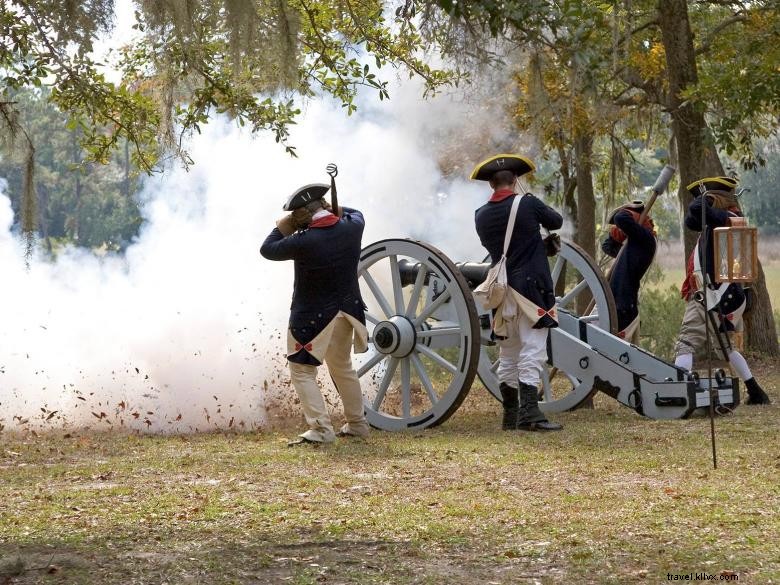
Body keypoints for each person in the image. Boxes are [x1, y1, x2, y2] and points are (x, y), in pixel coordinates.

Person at [260, 182, 372, 445]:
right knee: (342, 367)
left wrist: (286, 224)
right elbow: (356, 213)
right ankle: (357, 424)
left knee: (301, 371)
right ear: (324, 205)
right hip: (348, 310)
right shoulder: (353, 228)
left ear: (300, 216)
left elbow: (267, 248)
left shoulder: (303, 240)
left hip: (312, 317)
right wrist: (330, 207)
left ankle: (321, 429)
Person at [472, 154, 564, 431]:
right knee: (534, 348)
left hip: (502, 290)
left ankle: (510, 416)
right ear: (514, 180)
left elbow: (505, 247)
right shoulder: (527, 203)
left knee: (509, 352)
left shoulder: (481, 215)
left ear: (491, 184)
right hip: (531, 288)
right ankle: (530, 415)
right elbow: (556, 220)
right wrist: (530, 201)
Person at [672, 176, 770, 405]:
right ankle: (755, 391)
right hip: (721, 294)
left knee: (686, 342)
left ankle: (680, 394)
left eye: (707, 198)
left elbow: (697, 208)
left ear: (716, 199)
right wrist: (704, 199)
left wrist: (704, 198)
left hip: (714, 295)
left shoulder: (728, 218)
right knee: (726, 349)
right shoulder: (721, 219)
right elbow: (691, 220)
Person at [601, 201, 657, 342]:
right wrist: (617, 235)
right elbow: (607, 246)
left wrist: (632, 209)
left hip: (624, 305)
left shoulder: (646, 240)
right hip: (616, 302)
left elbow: (621, 218)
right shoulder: (631, 244)